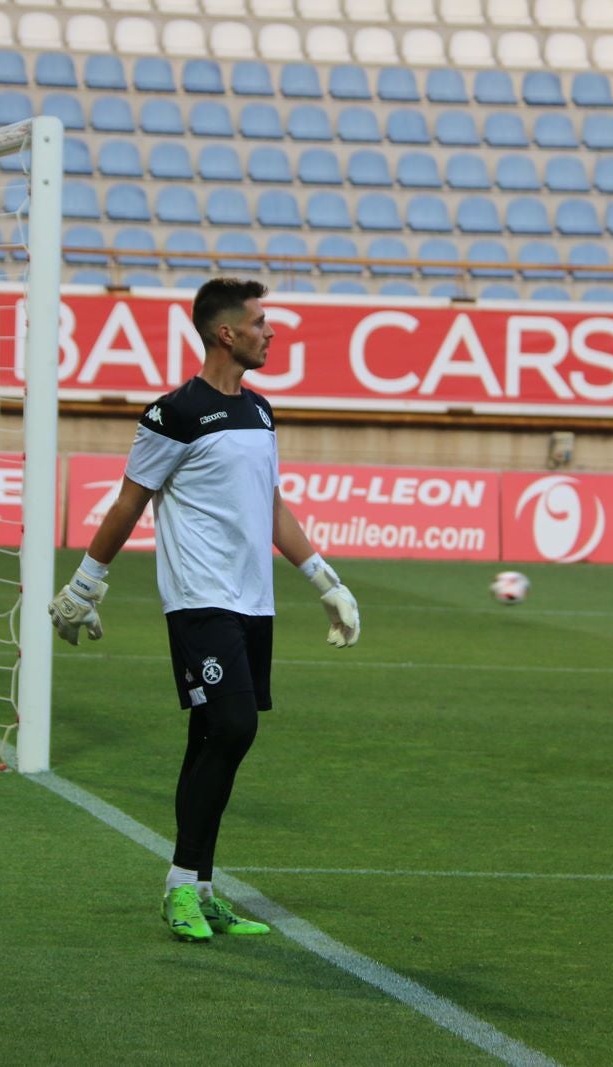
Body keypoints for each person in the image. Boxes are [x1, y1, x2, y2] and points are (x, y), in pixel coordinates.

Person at [49, 277, 361, 944]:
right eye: (259, 321)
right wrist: (85, 583)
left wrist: (325, 581)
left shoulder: (261, 410)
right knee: (234, 724)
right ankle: (179, 885)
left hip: (253, 603)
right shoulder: (173, 413)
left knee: (214, 737)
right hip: (199, 601)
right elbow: (129, 502)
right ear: (226, 333)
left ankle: (202, 887)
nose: (270, 332)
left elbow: (272, 503)